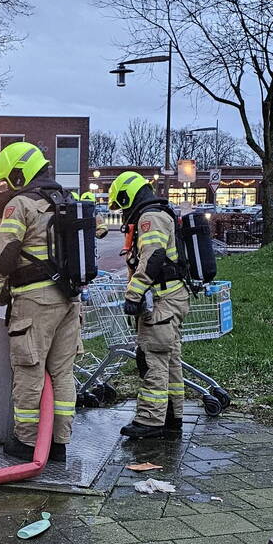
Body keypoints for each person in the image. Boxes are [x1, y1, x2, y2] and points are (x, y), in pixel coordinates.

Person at [0, 142, 80, 463]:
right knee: (62, 373)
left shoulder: (20, 204)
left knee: (29, 370)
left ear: (19, 174)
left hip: (35, 302)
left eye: (7, 179)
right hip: (70, 301)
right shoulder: (66, 199)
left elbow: (4, 255)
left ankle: (27, 442)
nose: (5, 187)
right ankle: (59, 443)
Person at [108, 171, 190, 439]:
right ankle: (172, 417)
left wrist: (133, 294)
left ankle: (150, 421)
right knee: (170, 361)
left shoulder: (150, 218)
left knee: (152, 360)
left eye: (121, 205)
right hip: (173, 297)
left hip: (162, 302)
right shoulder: (160, 213)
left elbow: (153, 258)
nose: (123, 212)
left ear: (127, 197)